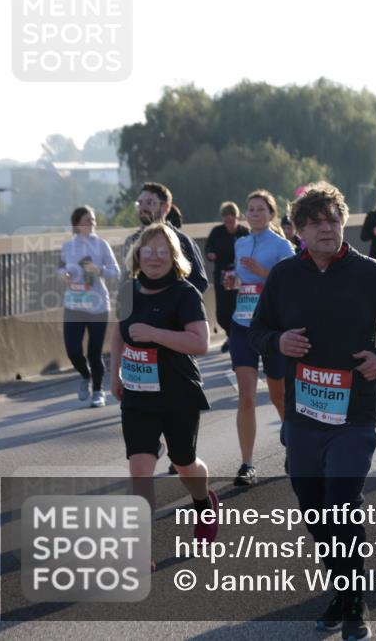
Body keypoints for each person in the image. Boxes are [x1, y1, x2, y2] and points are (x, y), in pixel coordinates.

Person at [248, 182, 376, 641]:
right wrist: (277, 341)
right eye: (316, 222)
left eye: (334, 220)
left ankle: (355, 599)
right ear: (299, 230)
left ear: (344, 223)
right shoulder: (285, 275)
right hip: (303, 415)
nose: (327, 228)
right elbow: (257, 329)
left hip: (354, 413)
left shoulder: (369, 272)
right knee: (314, 510)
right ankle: (342, 589)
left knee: (342, 504)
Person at [110, 223, 219, 562]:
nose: (154, 257)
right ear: (137, 255)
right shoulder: (128, 291)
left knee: (184, 463)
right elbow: (119, 333)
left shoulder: (185, 293)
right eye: (148, 251)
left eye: (162, 252)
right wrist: (114, 374)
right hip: (138, 394)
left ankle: (203, 502)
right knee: (139, 469)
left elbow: (200, 342)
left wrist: (155, 334)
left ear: (173, 257)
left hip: (177, 392)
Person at [227, 190, 296, 486]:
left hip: (271, 327)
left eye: (260, 209)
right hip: (242, 324)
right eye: (251, 209)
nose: (254, 214)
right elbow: (244, 280)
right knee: (246, 397)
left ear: (271, 214)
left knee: (278, 395)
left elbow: (293, 283)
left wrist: (263, 272)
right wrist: (234, 279)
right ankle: (247, 464)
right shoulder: (240, 243)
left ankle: (293, 445)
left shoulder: (281, 245)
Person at [59, 205, 120, 407]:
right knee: (73, 351)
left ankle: (98, 391)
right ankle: (85, 376)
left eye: (93, 219)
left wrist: (98, 270)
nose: (92, 223)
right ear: (77, 224)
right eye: (87, 219)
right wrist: (64, 275)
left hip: (98, 306)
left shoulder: (102, 245)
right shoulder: (68, 247)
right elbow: (60, 269)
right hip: (74, 305)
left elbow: (116, 272)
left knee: (94, 353)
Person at [122, 182, 209, 294]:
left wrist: (173, 298)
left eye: (150, 202)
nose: (143, 208)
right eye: (140, 203)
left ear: (166, 207)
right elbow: (126, 280)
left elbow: (200, 282)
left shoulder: (181, 240)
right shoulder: (132, 241)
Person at [205, 202, 249, 353]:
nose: (229, 225)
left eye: (232, 221)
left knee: (238, 307)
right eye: (226, 221)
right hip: (223, 275)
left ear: (237, 218)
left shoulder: (244, 232)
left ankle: (236, 338)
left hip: (240, 275)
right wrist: (210, 254)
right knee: (223, 311)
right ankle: (231, 335)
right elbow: (208, 247)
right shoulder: (217, 232)